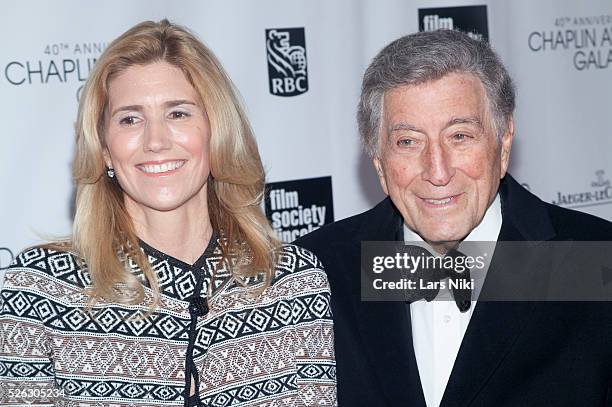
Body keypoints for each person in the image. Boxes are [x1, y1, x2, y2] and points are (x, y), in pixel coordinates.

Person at [0, 20, 336, 406]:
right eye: (130, 119)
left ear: (216, 133)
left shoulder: (294, 282)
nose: (156, 141)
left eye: (178, 114)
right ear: (105, 149)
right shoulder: (40, 291)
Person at [297, 29, 612, 406]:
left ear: (504, 139)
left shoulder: (596, 261)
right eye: (408, 142)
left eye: (460, 136)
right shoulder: (318, 273)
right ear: (378, 161)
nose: (438, 171)